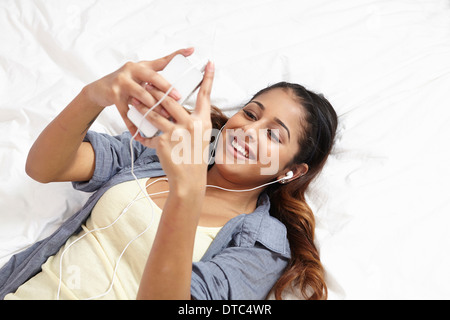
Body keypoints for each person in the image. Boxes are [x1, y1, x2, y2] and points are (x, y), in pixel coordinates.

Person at [1, 48, 337, 300]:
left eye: (273, 135)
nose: (249, 131)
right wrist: (93, 96)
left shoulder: (265, 244)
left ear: (291, 171)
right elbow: (44, 167)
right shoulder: (161, 154)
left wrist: (186, 193)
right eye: (250, 114)